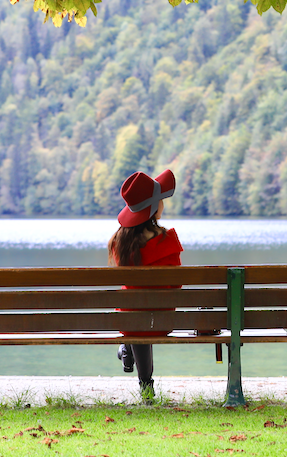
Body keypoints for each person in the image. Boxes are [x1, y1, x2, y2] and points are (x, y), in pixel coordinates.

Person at [108, 168, 182, 403]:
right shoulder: (168, 242)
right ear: (153, 209)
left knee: (134, 309)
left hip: (130, 323)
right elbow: (176, 285)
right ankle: (141, 375)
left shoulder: (120, 244)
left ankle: (131, 355)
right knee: (145, 310)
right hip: (162, 321)